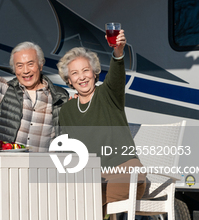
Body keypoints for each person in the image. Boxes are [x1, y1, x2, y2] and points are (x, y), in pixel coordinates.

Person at [0, 9, 69, 219]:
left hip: (43, 176)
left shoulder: (60, 97)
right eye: (19, 66)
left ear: (40, 64)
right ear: (14, 69)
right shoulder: (4, 90)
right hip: (5, 174)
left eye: (30, 64)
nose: (26, 70)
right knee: (1, 213)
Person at [57, 30, 147, 206]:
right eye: (75, 73)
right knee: (68, 198)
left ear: (94, 73)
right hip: (93, 178)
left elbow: (116, 76)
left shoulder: (108, 95)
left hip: (126, 174)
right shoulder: (66, 111)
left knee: (85, 199)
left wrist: (118, 52)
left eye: (85, 70)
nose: (82, 77)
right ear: (69, 80)